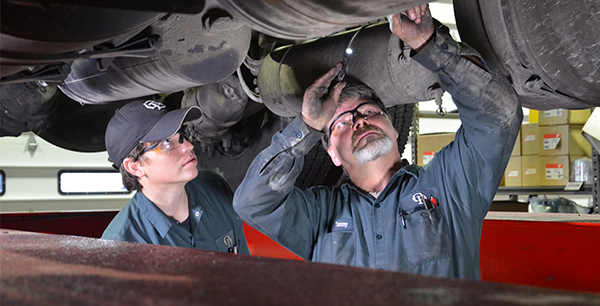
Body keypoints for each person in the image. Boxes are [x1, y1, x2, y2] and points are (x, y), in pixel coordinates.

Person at [233, 4, 522, 279]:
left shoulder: (447, 187)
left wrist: (430, 46)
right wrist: (307, 127)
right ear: (332, 153)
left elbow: (498, 116)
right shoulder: (320, 214)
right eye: (343, 123)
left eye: (370, 111)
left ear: (394, 130)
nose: (360, 121)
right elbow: (252, 203)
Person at [102, 99, 249, 254]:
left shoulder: (213, 186)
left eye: (182, 134)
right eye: (166, 142)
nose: (188, 146)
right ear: (135, 167)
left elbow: (245, 269)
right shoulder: (121, 246)